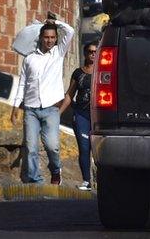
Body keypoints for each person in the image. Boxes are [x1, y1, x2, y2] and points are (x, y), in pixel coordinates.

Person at [11, 14, 75, 185]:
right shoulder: (29, 59)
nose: (49, 41)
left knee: (52, 146)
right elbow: (22, 84)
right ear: (40, 38)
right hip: (31, 109)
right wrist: (16, 107)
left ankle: (55, 170)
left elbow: (70, 31)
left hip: (51, 108)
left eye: (53, 37)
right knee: (31, 147)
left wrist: (56, 23)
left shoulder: (58, 53)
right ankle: (35, 180)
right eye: (46, 37)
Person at [61, 43, 96, 191]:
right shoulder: (78, 73)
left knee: (98, 149)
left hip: (99, 116)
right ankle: (86, 181)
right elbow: (70, 94)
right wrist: (59, 112)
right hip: (81, 114)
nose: (92, 54)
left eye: (95, 52)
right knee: (84, 147)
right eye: (89, 52)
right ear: (84, 53)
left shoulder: (104, 71)